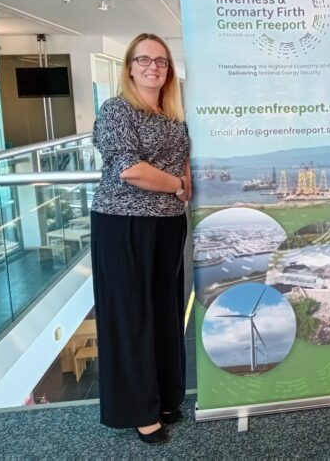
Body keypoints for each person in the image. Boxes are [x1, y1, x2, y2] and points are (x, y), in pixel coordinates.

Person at [90, 33, 191, 444]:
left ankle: (166, 397)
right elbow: (130, 170)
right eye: (144, 59)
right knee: (131, 317)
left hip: (168, 224)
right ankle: (139, 410)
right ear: (129, 66)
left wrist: (181, 184)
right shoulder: (116, 110)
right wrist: (177, 185)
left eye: (162, 61)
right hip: (122, 224)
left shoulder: (173, 113)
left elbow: (185, 160)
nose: (154, 67)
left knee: (167, 313)